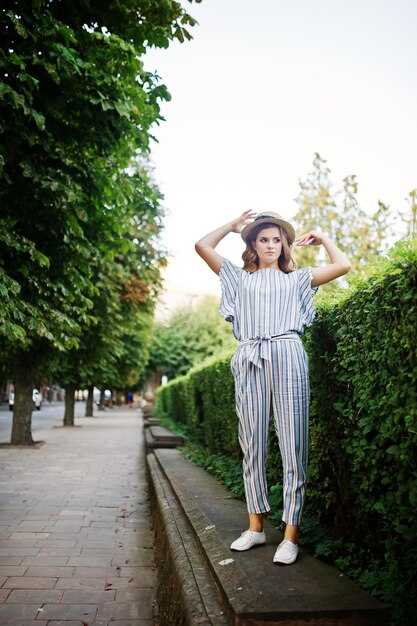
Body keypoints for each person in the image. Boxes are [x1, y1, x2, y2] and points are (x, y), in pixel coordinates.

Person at [195, 210, 351, 565]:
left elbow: (342, 266)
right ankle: (255, 528)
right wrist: (232, 226)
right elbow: (201, 245)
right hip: (249, 355)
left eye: (276, 239)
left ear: (285, 245)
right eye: (263, 239)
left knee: (293, 444)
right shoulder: (236, 277)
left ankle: (290, 534)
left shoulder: (298, 279)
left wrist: (324, 238)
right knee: (251, 442)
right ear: (252, 244)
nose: (270, 245)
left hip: (287, 353)